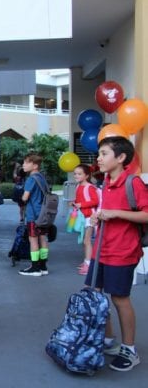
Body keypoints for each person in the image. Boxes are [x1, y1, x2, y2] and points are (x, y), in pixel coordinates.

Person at [89, 136, 147, 372]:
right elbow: (107, 213)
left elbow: (145, 214)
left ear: (121, 158)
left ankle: (129, 350)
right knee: (96, 295)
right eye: (99, 153)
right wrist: (98, 216)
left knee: (119, 299)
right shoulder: (105, 181)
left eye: (104, 154)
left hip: (123, 252)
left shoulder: (133, 183)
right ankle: (109, 341)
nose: (99, 158)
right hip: (101, 249)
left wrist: (115, 213)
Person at [19, 153, 50, 276]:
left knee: (33, 240)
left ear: (35, 166)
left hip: (33, 215)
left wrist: (21, 197)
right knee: (43, 239)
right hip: (44, 215)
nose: (23, 165)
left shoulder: (31, 179)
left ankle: (35, 268)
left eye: (26, 163)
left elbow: (25, 197)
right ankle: (43, 266)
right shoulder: (42, 178)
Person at [71, 164, 99, 276]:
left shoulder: (90, 187)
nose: (76, 176)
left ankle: (88, 264)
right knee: (84, 240)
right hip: (82, 217)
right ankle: (87, 261)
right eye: (75, 174)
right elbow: (79, 200)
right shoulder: (78, 186)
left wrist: (80, 204)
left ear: (86, 175)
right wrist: (74, 204)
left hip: (89, 217)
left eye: (79, 174)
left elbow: (95, 201)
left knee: (87, 241)